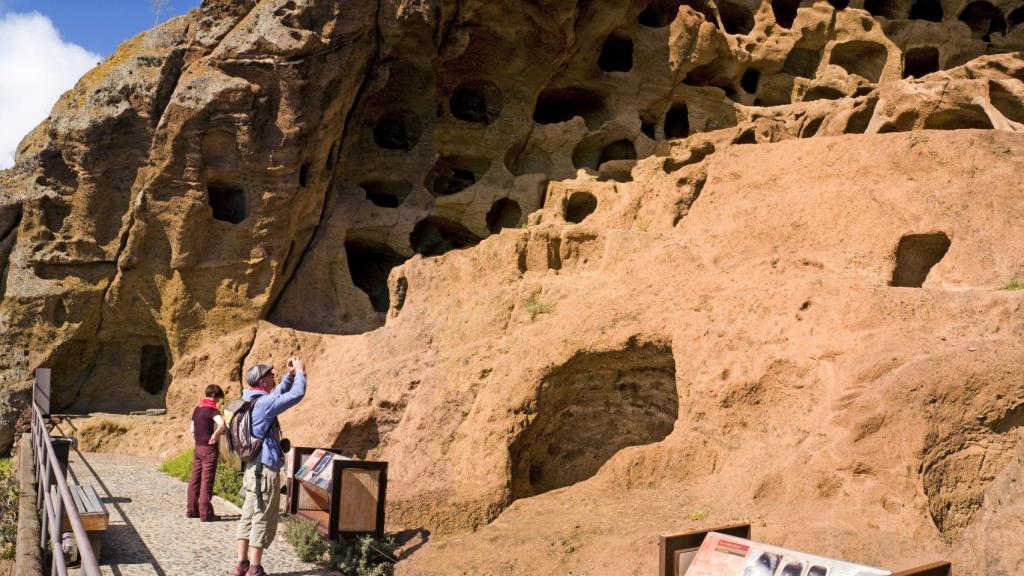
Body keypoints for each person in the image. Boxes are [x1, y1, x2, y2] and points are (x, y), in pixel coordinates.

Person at [233, 357, 306, 576]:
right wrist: (301, 373)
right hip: (264, 468)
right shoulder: (264, 405)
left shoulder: (248, 399)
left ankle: (241, 565)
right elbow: (295, 395)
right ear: (262, 380)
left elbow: (275, 396)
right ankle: (255, 569)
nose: (274, 376)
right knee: (262, 516)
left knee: (248, 514)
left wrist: (289, 376)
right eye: (271, 375)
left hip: (251, 467)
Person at [188, 384, 225, 521]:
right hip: (209, 449)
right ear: (214, 396)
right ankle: (206, 514)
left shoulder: (197, 409)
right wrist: (214, 436)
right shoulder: (212, 410)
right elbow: (222, 425)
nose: (217, 402)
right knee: (206, 481)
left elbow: (192, 429)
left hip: (197, 447)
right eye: (218, 399)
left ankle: (191, 510)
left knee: (194, 480)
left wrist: (199, 439)